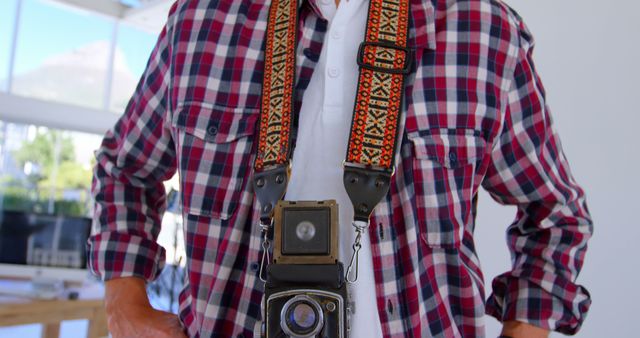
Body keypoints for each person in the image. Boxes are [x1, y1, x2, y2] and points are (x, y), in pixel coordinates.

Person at [87, 0, 593, 337]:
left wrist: (525, 328)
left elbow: (556, 214)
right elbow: (123, 170)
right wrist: (123, 302)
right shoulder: (202, 19)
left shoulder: (482, 30)